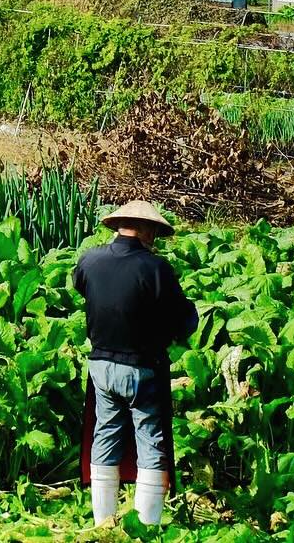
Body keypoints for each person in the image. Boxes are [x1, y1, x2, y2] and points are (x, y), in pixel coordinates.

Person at [73, 199, 198, 529]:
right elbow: (181, 319)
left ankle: (104, 525)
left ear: (119, 226)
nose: (155, 237)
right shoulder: (155, 268)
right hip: (141, 369)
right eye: (155, 231)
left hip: (100, 365)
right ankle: (145, 528)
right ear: (146, 230)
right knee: (151, 441)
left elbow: (84, 289)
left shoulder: (89, 260)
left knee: (105, 436)